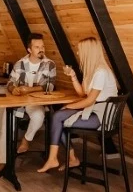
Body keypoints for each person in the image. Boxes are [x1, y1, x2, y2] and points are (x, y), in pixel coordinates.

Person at [38, 36, 118, 173]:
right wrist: (73, 76)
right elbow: (82, 94)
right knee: (57, 118)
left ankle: (60, 158)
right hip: (93, 111)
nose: (77, 53)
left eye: (79, 50)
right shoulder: (93, 71)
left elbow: (89, 100)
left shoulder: (101, 72)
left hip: (102, 118)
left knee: (58, 119)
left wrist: (68, 107)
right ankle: (63, 159)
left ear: (88, 52)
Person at [0, 33, 57, 173]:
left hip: (36, 102)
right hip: (18, 101)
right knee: (6, 127)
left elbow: (50, 86)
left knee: (39, 116)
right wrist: (13, 89)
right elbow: (10, 82)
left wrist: (29, 89)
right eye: (37, 47)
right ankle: (3, 162)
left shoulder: (49, 64)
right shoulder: (20, 64)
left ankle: (26, 140)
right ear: (29, 49)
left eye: (42, 46)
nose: (41, 49)